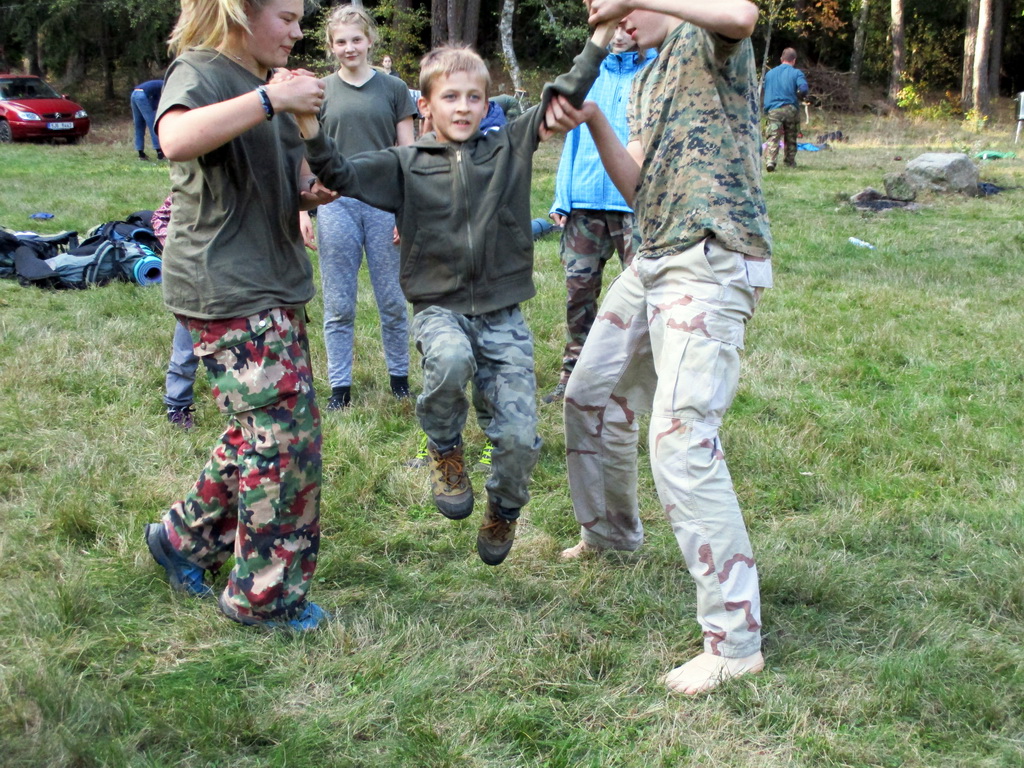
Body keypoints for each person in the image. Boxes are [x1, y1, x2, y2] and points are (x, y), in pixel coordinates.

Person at [299, 19, 620, 566]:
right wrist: (308, 124)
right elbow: (338, 172)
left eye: (475, 97)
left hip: (502, 315)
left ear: (487, 103)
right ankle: (445, 449)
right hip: (439, 308)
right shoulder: (404, 165)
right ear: (425, 105)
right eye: (450, 97)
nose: (464, 107)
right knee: (448, 360)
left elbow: (564, 93)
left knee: (519, 438)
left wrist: (602, 35)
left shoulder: (508, 147)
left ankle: (504, 508)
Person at [546, 0, 773, 694]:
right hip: (654, 258)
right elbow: (637, 183)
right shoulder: (643, 76)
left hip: (711, 259)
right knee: (589, 396)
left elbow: (744, 13)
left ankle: (735, 641)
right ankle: (611, 535)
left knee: (680, 437)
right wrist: (595, 120)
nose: (608, 17)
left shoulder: (710, 38)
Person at [143, 0, 334, 631]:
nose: (298, 31)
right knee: (286, 443)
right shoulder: (201, 70)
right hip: (225, 287)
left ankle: (182, 539)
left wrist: (313, 189)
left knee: (262, 432)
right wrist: (272, 100)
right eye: (287, 17)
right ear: (241, 12)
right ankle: (263, 598)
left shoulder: (266, 85)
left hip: (273, 280)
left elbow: (292, 181)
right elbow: (175, 138)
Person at [543, 21, 653, 404]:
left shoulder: (656, 71)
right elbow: (571, 137)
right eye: (612, 26)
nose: (619, 34)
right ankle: (573, 375)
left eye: (626, 25)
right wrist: (563, 195)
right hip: (585, 202)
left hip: (634, 204)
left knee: (640, 296)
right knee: (578, 292)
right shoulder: (589, 73)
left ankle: (628, 381)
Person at [317, 5, 417, 410]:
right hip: (336, 204)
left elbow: (409, 154)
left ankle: (400, 380)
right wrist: (303, 210)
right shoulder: (320, 91)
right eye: (341, 41)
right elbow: (306, 153)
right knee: (338, 304)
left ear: (370, 40)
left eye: (356, 39)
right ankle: (339, 388)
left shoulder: (394, 88)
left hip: (383, 204)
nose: (349, 48)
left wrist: (407, 211)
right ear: (331, 46)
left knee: (392, 300)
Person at [154, 197, 318, 431]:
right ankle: (177, 405)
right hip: (197, 285)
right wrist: (182, 252)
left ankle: (260, 406)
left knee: (250, 353)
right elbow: (160, 217)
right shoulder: (197, 192)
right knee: (186, 350)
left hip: (244, 286)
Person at [762, 47, 808, 172]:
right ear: (794, 60)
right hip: (790, 108)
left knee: (773, 136)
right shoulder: (797, 73)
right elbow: (803, 88)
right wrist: (801, 96)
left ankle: (770, 161)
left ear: (781, 59)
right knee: (791, 136)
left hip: (773, 109)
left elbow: (766, 89)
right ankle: (789, 162)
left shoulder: (769, 74)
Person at [131, 79, 164, 160]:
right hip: (142, 95)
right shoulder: (166, 86)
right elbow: (158, 100)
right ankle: (159, 152)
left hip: (134, 93)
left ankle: (141, 153)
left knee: (139, 125)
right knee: (153, 124)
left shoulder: (160, 83)